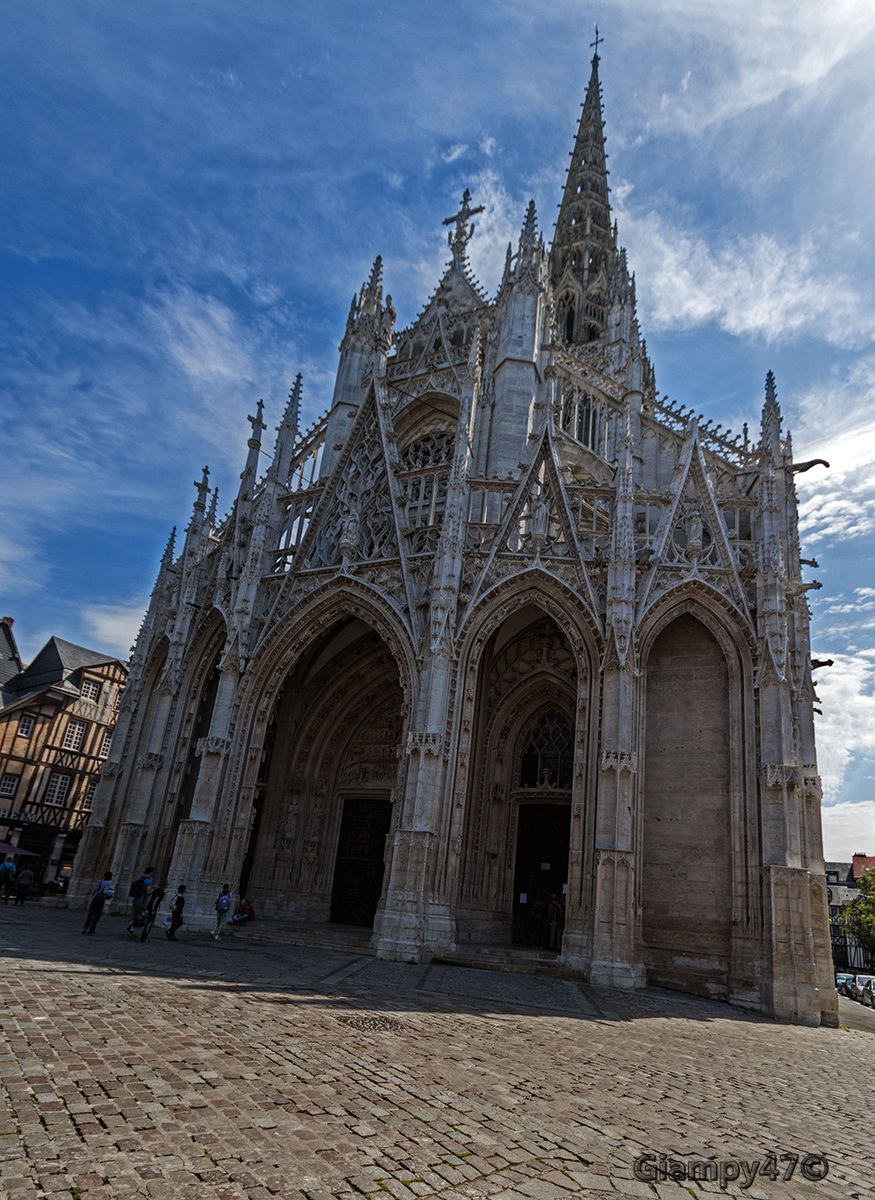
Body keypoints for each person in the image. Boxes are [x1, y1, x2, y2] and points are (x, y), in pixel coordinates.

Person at [126, 865, 154, 938]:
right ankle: (131, 929)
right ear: (151, 872)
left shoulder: (138, 878)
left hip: (135, 899)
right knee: (141, 917)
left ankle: (131, 931)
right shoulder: (148, 881)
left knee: (133, 915)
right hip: (142, 900)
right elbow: (148, 892)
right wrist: (152, 891)